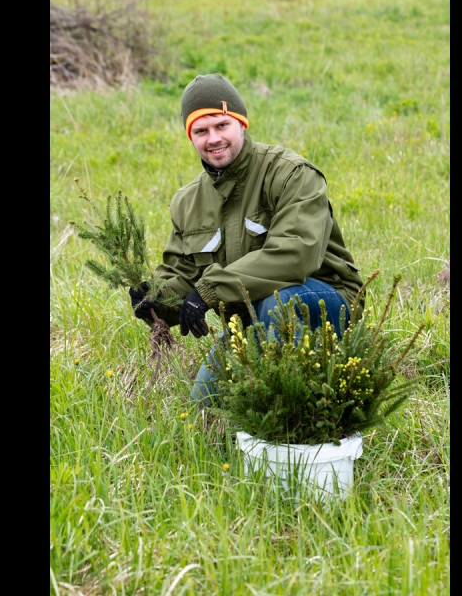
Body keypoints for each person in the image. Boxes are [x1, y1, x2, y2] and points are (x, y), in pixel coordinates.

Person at [129, 73, 365, 406]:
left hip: (324, 301)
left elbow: (295, 254)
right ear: (190, 137)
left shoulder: (290, 174)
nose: (213, 138)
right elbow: (183, 272)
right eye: (201, 130)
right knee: (205, 410)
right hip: (252, 319)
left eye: (221, 125)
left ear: (241, 123)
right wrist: (157, 300)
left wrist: (211, 289)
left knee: (282, 303)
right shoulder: (187, 201)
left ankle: (298, 417)